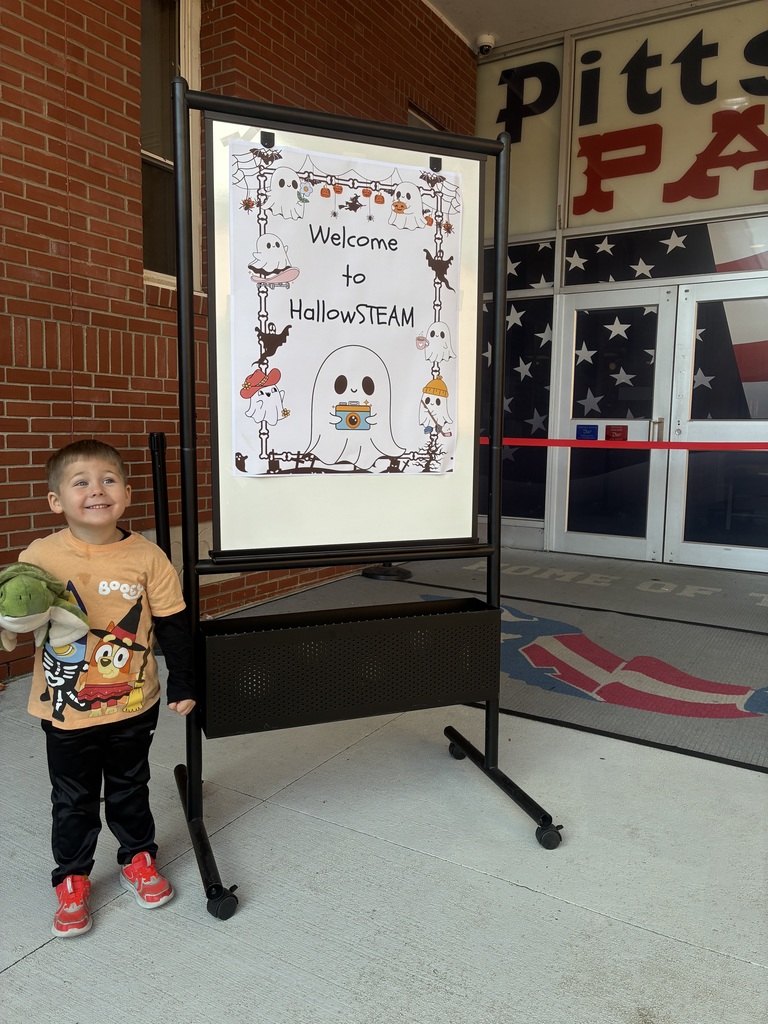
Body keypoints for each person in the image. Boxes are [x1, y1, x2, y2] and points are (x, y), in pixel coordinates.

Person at [20, 439, 197, 938]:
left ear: (127, 492)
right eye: (81, 482)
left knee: (129, 788)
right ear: (56, 500)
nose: (97, 490)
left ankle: (138, 857)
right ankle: (72, 877)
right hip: (66, 710)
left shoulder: (147, 556)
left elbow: (173, 623)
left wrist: (184, 679)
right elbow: (20, 607)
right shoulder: (40, 556)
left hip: (134, 703)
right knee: (73, 798)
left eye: (109, 480)